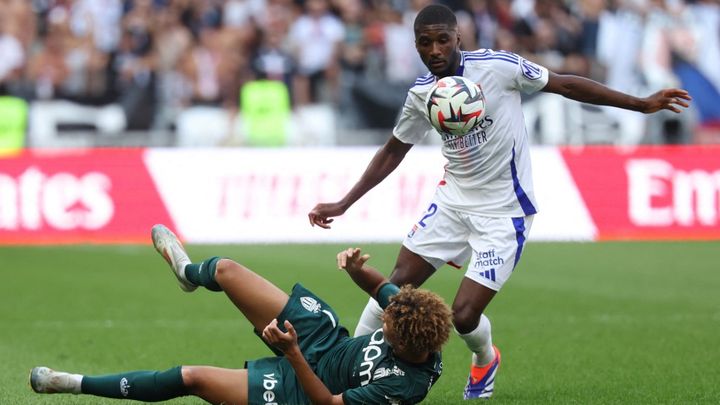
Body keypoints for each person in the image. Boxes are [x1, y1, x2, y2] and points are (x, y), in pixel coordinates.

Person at [307, 4, 692, 400]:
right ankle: (350, 365)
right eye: (426, 43)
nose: (435, 49)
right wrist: (344, 203)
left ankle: (485, 358)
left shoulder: (499, 67)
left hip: (504, 213)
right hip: (453, 204)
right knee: (395, 288)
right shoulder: (422, 94)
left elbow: (566, 85)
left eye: (443, 40)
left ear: (459, 38)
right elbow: (393, 150)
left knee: (463, 315)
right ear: (417, 46)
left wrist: (641, 104)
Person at [30, 225, 452, 405]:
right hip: (325, 339)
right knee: (225, 270)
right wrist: (359, 269)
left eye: (388, 331)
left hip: (304, 388)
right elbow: (383, 290)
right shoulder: (412, 317)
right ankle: (187, 273)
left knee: (191, 378)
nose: (384, 322)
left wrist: (292, 355)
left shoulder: (403, 384)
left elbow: (327, 402)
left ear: (405, 345)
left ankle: (72, 384)